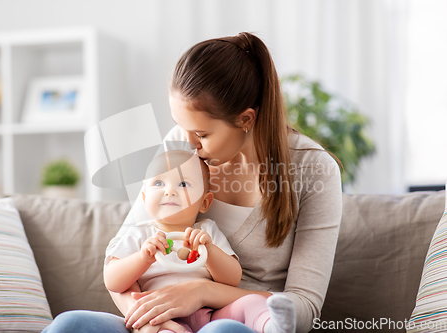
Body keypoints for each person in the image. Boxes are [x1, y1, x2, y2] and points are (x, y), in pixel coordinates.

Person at [42, 31, 343, 333]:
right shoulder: (180, 146)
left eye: (202, 135)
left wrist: (201, 293)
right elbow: (117, 268)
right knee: (69, 325)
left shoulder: (314, 169)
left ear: (246, 119)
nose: (188, 144)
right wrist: (153, 324)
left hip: (236, 322)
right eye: (180, 126)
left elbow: (303, 308)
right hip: (159, 324)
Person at [104, 149, 296, 333]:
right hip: (162, 318)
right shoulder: (139, 234)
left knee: (252, 302)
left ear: (205, 202)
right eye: (159, 183)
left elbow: (232, 279)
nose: (169, 191)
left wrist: (210, 252)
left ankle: (272, 325)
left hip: (211, 314)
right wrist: (142, 258)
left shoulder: (206, 230)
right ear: (144, 199)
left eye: (183, 184)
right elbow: (113, 281)